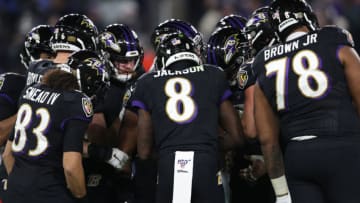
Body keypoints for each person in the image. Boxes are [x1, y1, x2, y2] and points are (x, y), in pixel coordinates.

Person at [252, 0, 360, 202]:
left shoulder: (264, 62)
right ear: (308, 18)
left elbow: (268, 141)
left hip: (298, 158)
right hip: (343, 148)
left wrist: (282, 195)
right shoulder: (333, 39)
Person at [132, 31, 244, 203]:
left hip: (170, 165)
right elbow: (236, 137)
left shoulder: (147, 82)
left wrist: (169, 149)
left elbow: (144, 151)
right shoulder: (213, 74)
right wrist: (206, 146)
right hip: (206, 164)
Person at [2, 50, 107, 203]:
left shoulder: (29, 91)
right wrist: (81, 196)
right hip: (50, 192)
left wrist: (22, 188)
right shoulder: (76, 102)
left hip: (14, 190)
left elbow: (7, 154)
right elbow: (70, 166)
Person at [82, 23, 146, 203]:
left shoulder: (143, 82)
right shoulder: (98, 85)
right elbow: (96, 132)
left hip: (136, 165)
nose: (129, 67)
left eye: (133, 61)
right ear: (105, 57)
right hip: (103, 167)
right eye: (122, 61)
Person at [0, 24, 56, 202]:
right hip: (9, 175)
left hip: (46, 180)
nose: (44, 61)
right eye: (40, 54)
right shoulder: (11, 84)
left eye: (50, 56)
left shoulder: (68, 95)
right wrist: (32, 104)